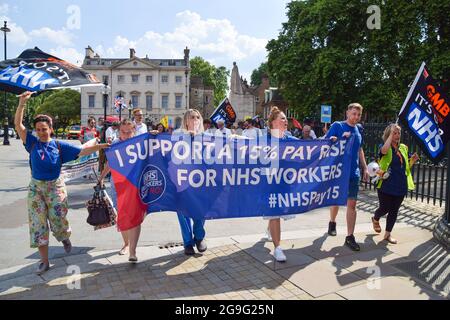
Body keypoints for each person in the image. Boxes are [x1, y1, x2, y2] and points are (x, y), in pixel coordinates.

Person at [14, 91, 110, 275]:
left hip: (55, 186)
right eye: (39, 129)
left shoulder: (59, 146)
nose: (42, 132)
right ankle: (44, 261)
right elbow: (18, 125)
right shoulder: (32, 143)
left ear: (51, 128)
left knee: (58, 218)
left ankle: (64, 236)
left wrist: (103, 146)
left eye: (45, 128)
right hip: (36, 188)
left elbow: (82, 151)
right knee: (38, 224)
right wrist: (22, 104)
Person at [99, 119, 145, 262]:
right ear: (119, 131)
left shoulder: (140, 143)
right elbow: (109, 163)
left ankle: (133, 251)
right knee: (121, 215)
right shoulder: (115, 145)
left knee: (135, 216)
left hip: (135, 185)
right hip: (118, 185)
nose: (126, 135)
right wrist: (101, 177)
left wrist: (154, 135)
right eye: (123, 132)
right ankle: (126, 243)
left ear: (134, 131)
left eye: (129, 132)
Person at [325, 103, 369, 251]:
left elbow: (360, 149)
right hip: (338, 172)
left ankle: (350, 237)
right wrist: (337, 139)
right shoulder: (338, 126)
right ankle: (332, 222)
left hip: (353, 173)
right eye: (353, 113)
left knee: (352, 204)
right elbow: (325, 143)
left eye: (358, 115)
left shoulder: (358, 129)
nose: (356, 117)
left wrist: (365, 167)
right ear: (347, 113)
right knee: (336, 201)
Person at [371, 124, 419, 244]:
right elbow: (384, 151)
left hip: (401, 184)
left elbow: (405, 166)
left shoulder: (403, 147)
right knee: (385, 208)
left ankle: (387, 234)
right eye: (394, 133)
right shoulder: (384, 146)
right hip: (386, 184)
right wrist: (391, 133)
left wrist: (412, 160)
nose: (397, 136)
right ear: (389, 134)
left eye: (398, 133)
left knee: (394, 210)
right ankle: (376, 217)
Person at [265, 106, 299, 262]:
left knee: (276, 214)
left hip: (284, 183)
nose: (286, 121)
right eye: (282, 118)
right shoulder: (263, 140)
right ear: (273, 122)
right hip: (269, 183)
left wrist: (330, 141)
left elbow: (312, 146)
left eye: (286, 118)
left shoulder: (290, 139)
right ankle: (277, 247)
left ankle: (271, 230)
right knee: (275, 214)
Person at [173, 109, 208, 255]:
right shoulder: (177, 134)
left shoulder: (207, 136)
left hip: (201, 180)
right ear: (186, 120)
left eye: (198, 117)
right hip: (181, 179)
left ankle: (199, 237)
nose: (195, 120)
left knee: (200, 209)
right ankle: (187, 242)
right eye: (192, 117)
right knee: (183, 212)